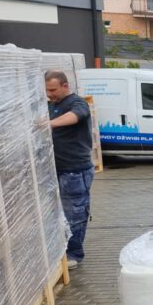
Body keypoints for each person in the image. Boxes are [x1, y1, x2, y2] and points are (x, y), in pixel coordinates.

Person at [44, 70, 95, 270]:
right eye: (47, 90)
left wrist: (49, 124)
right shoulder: (50, 105)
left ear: (65, 85)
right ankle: (62, 251)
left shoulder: (77, 103)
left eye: (53, 90)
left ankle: (74, 254)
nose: (50, 94)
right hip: (56, 169)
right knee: (58, 214)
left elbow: (75, 117)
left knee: (75, 213)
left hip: (75, 170)